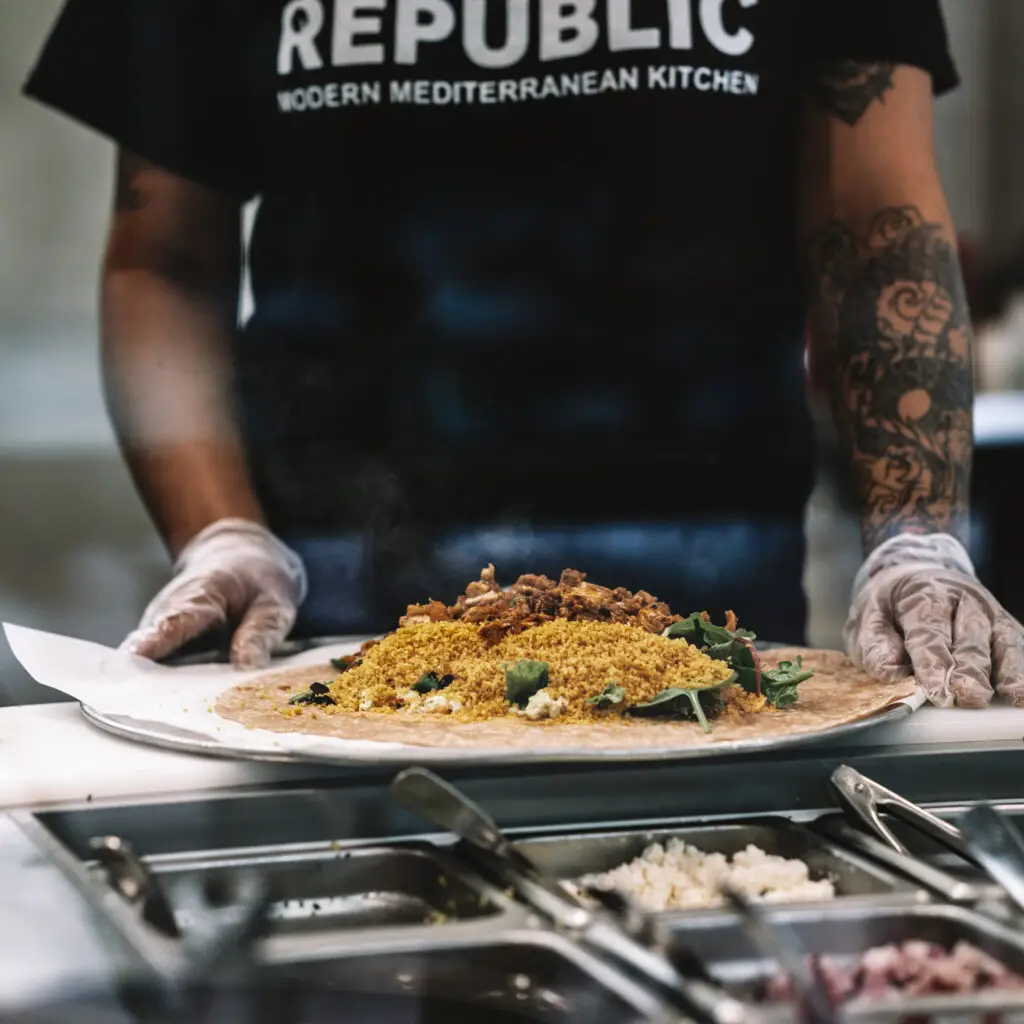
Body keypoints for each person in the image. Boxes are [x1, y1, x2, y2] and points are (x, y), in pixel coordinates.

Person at [24, 0, 1024, 707]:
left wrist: (915, 537)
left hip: (713, 609)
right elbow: (166, 259)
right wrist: (220, 536)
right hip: (324, 612)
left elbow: (873, 222)